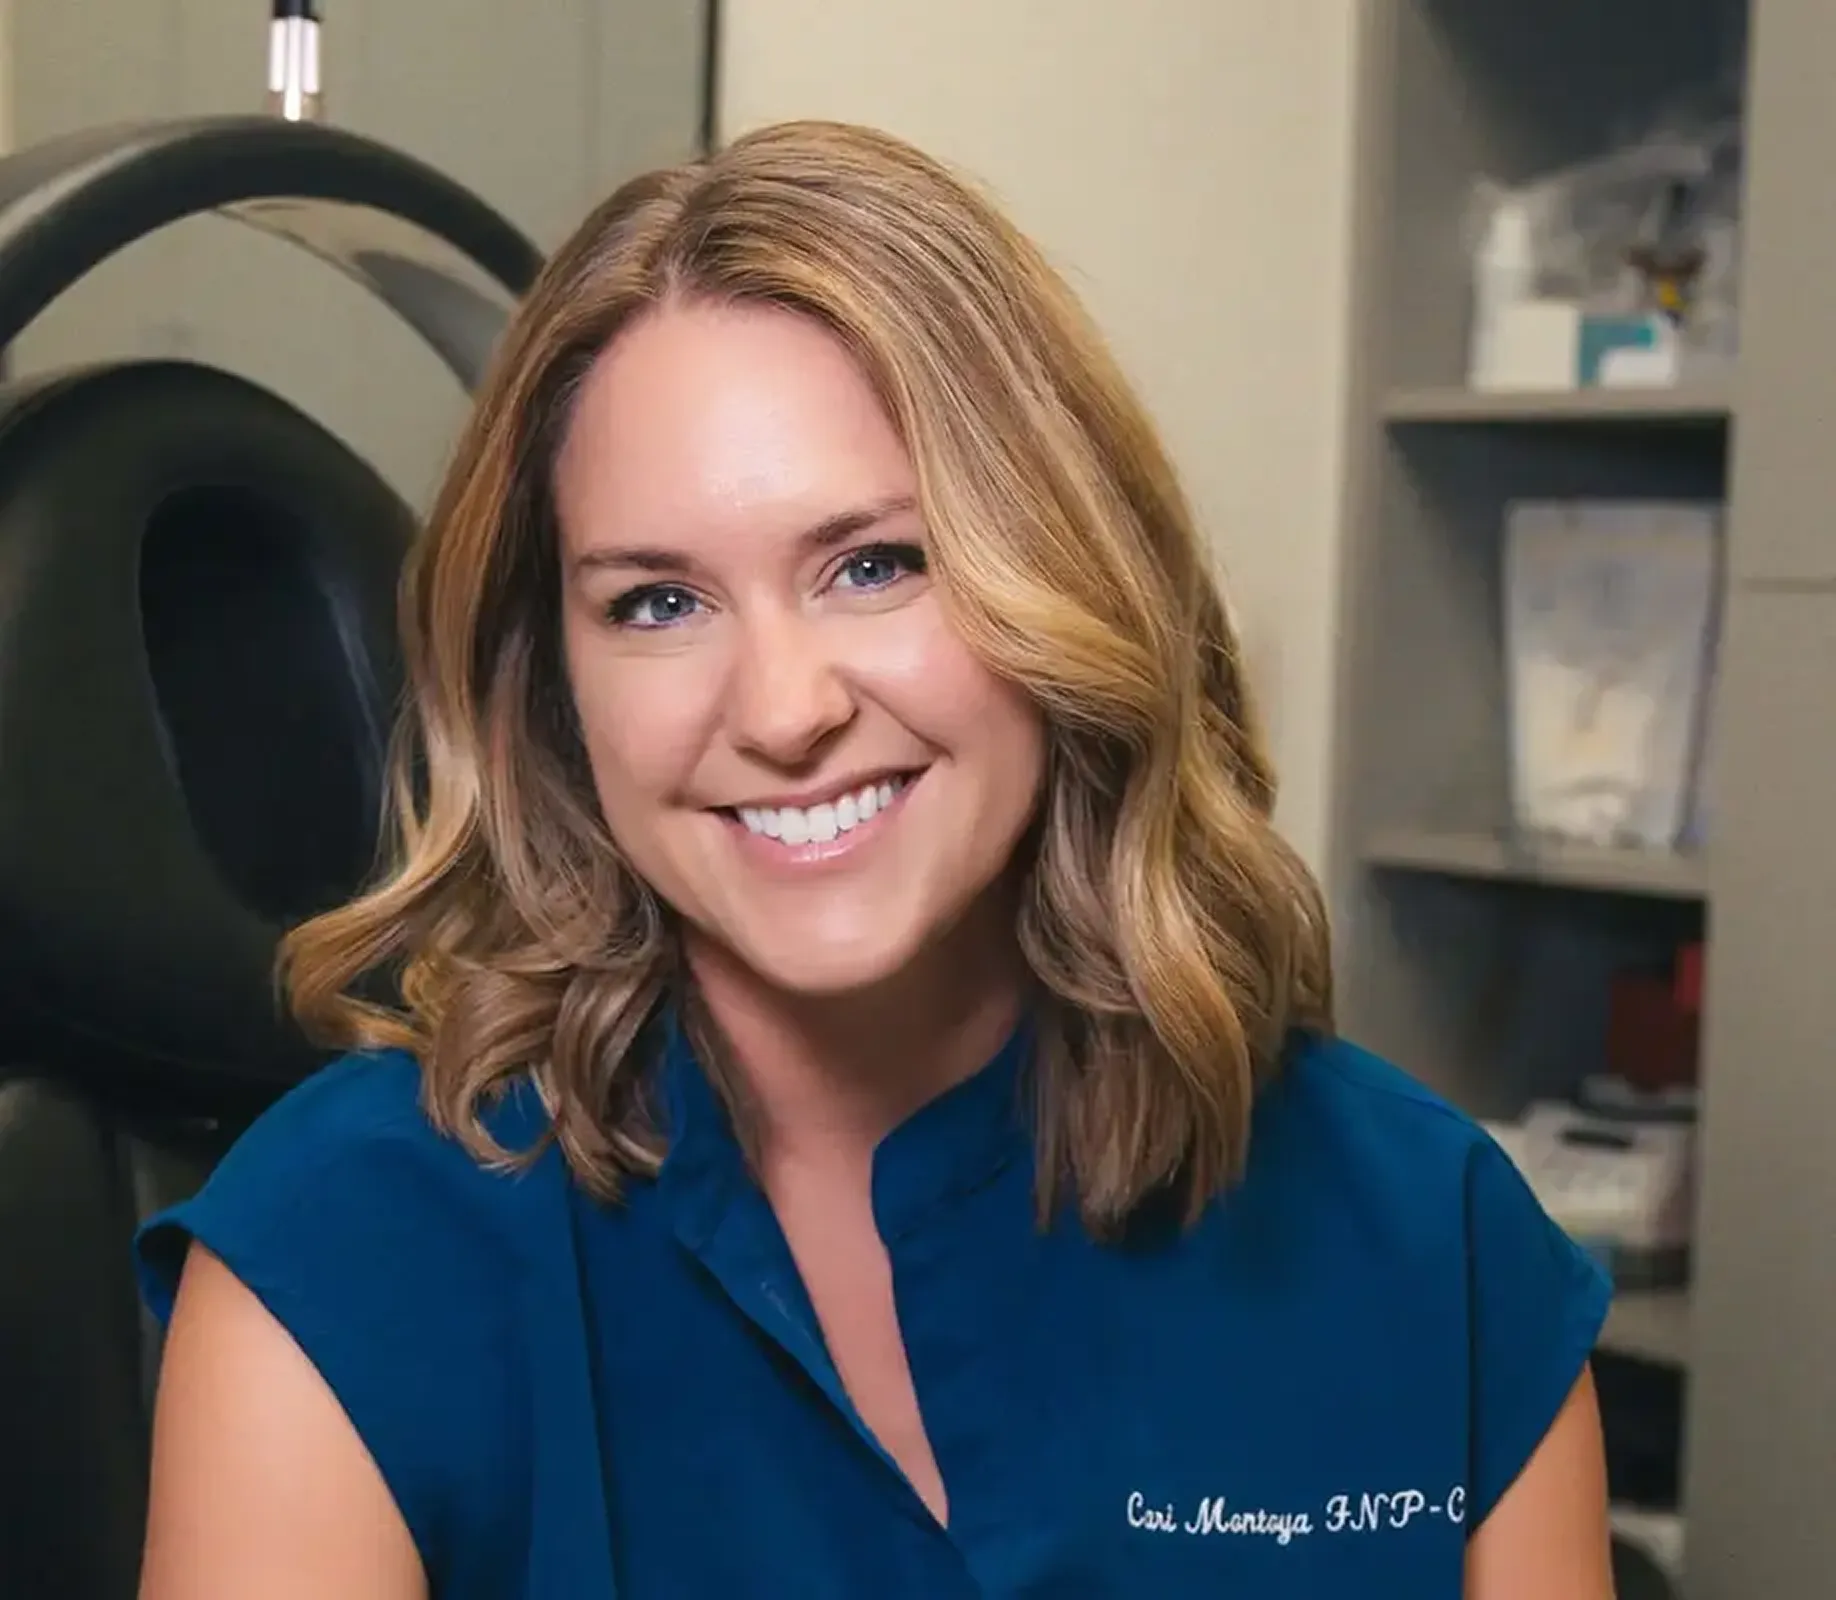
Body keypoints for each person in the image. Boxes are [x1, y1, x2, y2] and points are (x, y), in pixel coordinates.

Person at [134, 119, 1615, 1598]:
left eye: (877, 565)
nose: (785, 712)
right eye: (658, 602)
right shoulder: (341, 1261)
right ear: (556, 687)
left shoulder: (1433, 1242)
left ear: (1071, 583)